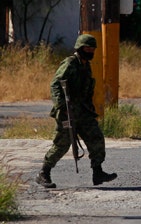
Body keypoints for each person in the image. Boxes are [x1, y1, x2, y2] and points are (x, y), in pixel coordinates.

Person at [36, 34, 117, 188]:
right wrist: (62, 106)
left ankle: (97, 172)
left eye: (93, 49)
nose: (91, 51)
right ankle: (43, 173)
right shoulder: (70, 63)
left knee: (96, 137)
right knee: (62, 144)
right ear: (80, 48)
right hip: (68, 111)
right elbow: (55, 84)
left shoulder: (86, 65)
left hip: (83, 111)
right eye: (88, 48)